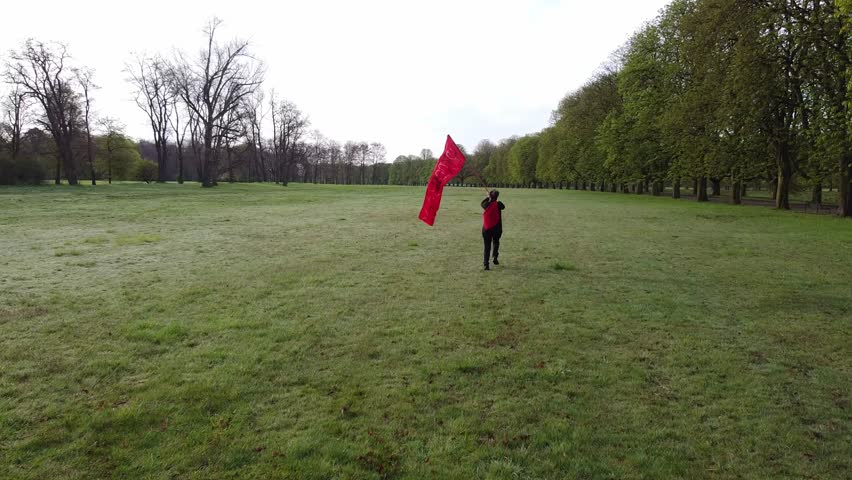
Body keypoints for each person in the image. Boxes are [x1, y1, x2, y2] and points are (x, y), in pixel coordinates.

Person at [481, 189, 505, 270]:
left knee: (487, 247)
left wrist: (488, 197)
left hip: (487, 228)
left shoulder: (486, 204)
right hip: (497, 228)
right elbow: (503, 207)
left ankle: (486, 264)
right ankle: (495, 256)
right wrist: (492, 198)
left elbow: (482, 204)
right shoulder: (499, 204)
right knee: (496, 242)